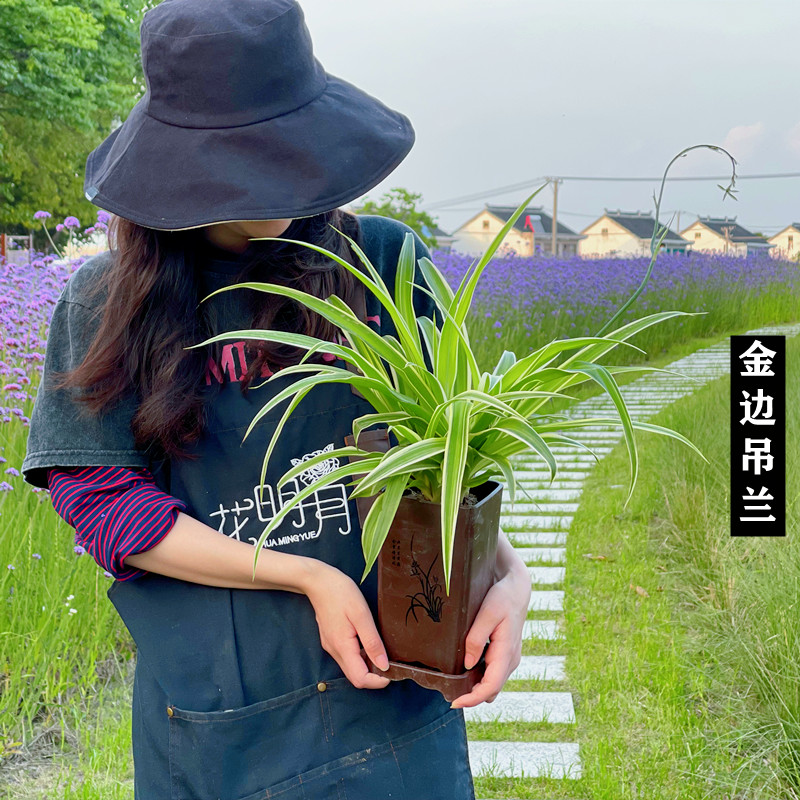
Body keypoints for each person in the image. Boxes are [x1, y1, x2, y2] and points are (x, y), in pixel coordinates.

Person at [22, 1, 531, 798]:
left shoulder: (385, 266)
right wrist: (305, 577)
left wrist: (510, 579)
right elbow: (103, 504)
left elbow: (454, 467)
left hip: (394, 707)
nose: (281, 178)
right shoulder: (108, 301)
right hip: (221, 720)